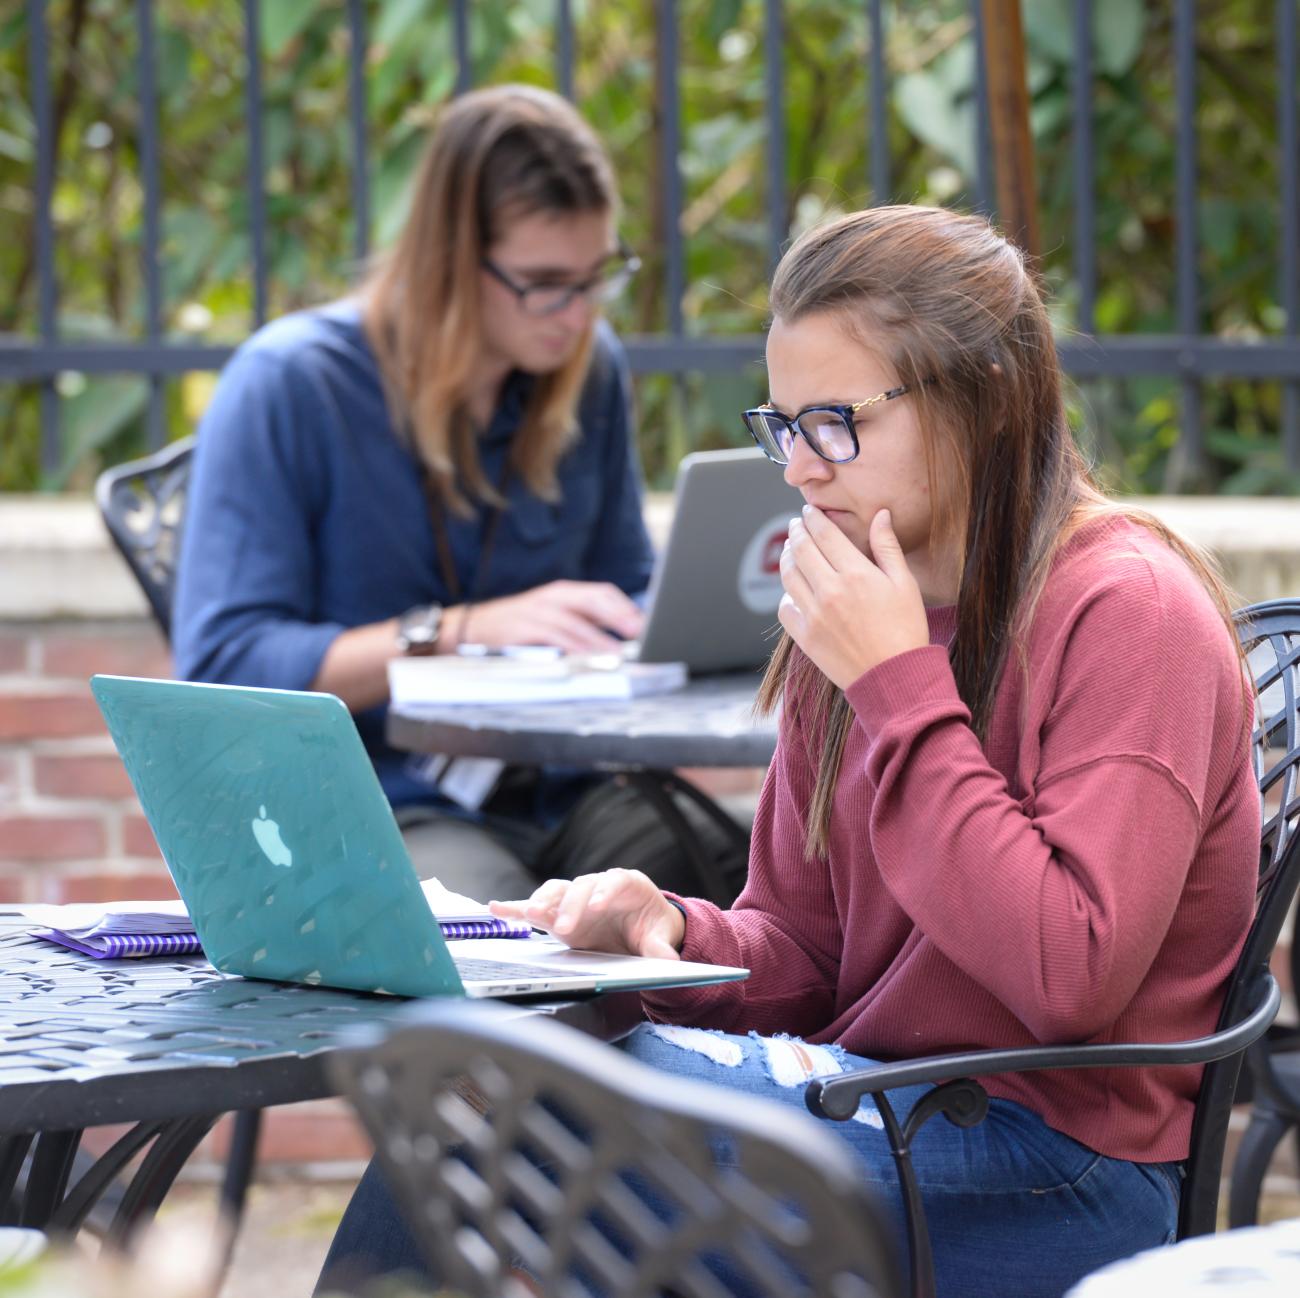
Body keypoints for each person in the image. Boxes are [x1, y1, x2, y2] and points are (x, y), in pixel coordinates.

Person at [318, 204, 1260, 1298]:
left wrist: (896, 685)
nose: (800, 471)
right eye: (783, 424)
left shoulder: (1127, 610)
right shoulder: (867, 597)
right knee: (484, 1079)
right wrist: (675, 927)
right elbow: (811, 951)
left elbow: (1066, 978)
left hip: (1055, 1169)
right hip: (872, 1104)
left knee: (533, 1112)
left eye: (835, 420)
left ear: (987, 398)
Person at [172, 85, 653, 905]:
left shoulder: (587, 374)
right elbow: (225, 669)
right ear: (450, 263)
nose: (575, 315)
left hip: (567, 790)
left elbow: (631, 591)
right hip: (379, 804)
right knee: (505, 951)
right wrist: (457, 634)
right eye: (543, 283)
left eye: (595, 277)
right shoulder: (291, 385)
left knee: (764, 898)